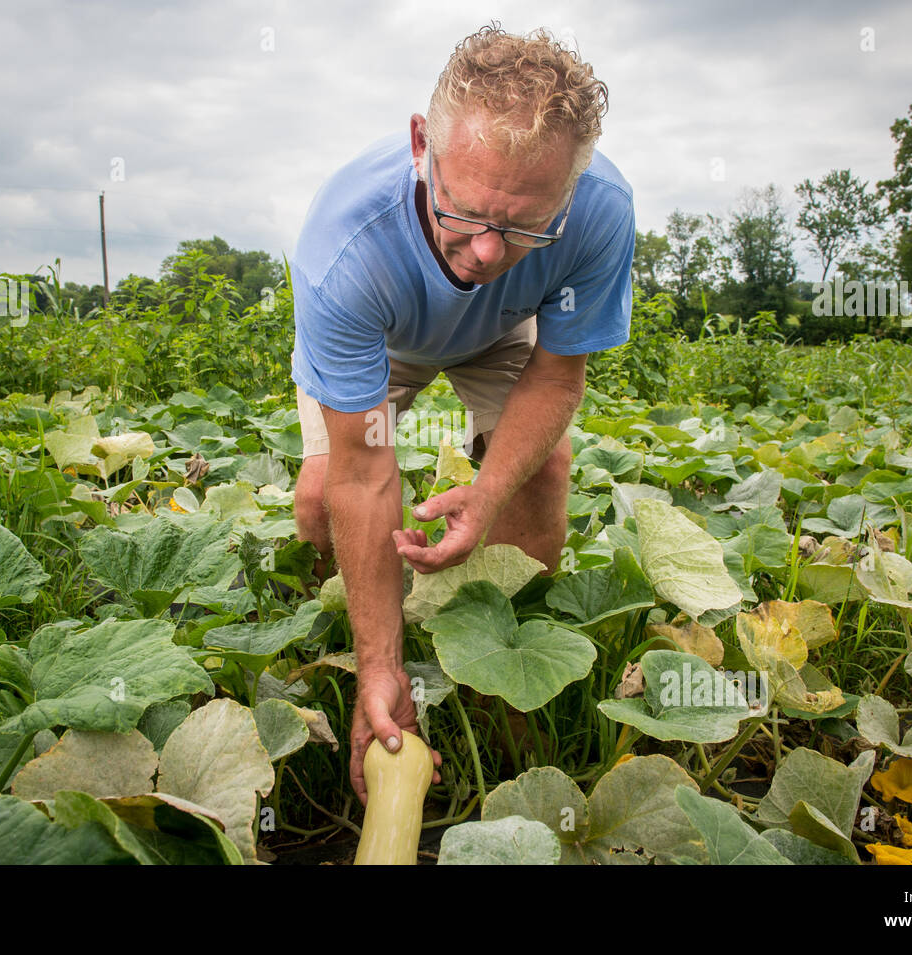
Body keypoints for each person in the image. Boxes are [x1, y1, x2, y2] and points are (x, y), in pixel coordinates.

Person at [289, 24, 636, 806]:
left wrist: (486, 496)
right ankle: (345, 653)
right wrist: (386, 659)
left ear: (569, 192)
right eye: (468, 212)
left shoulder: (600, 211)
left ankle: (502, 691)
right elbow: (365, 469)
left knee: (539, 470)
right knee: (319, 498)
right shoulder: (346, 246)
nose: (485, 251)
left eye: (522, 226)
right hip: (385, 333)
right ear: (422, 143)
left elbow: (556, 377)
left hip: (505, 324)